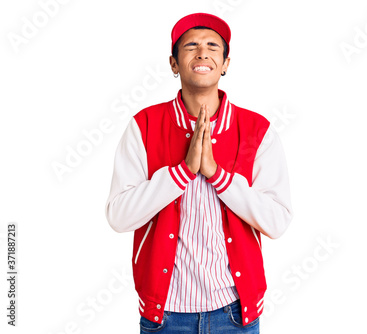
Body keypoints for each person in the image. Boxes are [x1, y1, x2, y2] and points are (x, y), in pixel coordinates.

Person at [105, 12, 293, 333]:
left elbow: (277, 221)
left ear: (225, 63)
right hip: (165, 314)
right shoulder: (144, 126)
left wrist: (216, 175)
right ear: (174, 63)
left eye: (212, 46)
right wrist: (182, 172)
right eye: (190, 46)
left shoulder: (256, 130)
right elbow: (118, 217)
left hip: (235, 312)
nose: (202, 52)